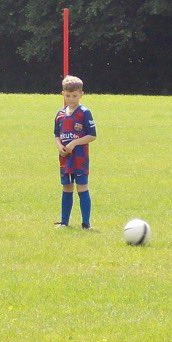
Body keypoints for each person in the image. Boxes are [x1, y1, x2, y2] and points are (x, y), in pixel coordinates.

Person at [54, 75, 97, 229]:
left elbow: (92, 135)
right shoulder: (59, 114)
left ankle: (86, 224)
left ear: (81, 94)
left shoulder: (85, 113)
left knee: (82, 187)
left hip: (80, 158)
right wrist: (60, 146)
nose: (71, 99)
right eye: (67, 96)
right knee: (66, 187)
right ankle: (64, 222)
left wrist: (74, 143)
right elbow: (56, 135)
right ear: (62, 94)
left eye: (74, 96)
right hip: (64, 158)